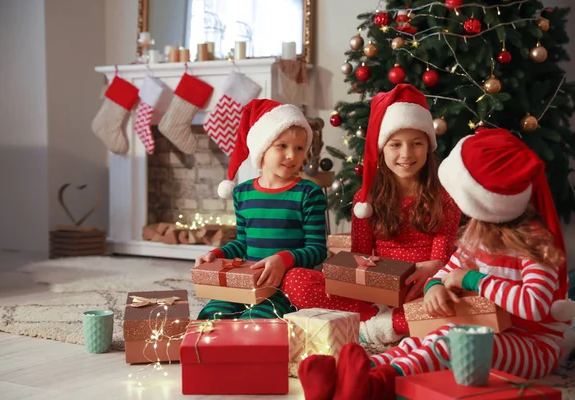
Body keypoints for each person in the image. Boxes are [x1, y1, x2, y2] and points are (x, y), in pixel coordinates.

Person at [298, 128, 574, 400]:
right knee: (418, 341)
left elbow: (534, 305)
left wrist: (472, 280)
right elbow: (449, 268)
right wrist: (434, 285)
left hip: (533, 345)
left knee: (449, 344)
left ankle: (375, 386)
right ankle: (349, 376)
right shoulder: (481, 233)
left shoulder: (537, 243)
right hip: (485, 325)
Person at [281, 84, 461, 345]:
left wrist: (433, 270)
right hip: (375, 293)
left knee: (459, 300)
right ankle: (380, 319)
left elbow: (441, 259)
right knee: (296, 280)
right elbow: (360, 258)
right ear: (382, 149)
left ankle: (387, 323)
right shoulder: (365, 201)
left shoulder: (445, 197)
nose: (406, 154)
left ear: (428, 147)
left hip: (425, 288)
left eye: (417, 143)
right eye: (395, 144)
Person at [194, 99, 328, 320]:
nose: (291, 155)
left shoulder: (309, 193)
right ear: (262, 148)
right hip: (246, 282)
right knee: (210, 316)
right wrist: (216, 254)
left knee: (257, 322)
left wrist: (284, 259)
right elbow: (243, 243)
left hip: (284, 286)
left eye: (299, 148)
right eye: (282, 146)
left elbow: (317, 249)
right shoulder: (243, 193)